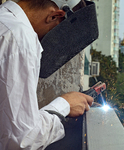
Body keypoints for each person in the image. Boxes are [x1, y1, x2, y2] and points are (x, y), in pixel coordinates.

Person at [0, 0, 94, 149]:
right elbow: (22, 141)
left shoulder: (4, 20)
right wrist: (65, 105)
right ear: (54, 16)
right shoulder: (20, 38)